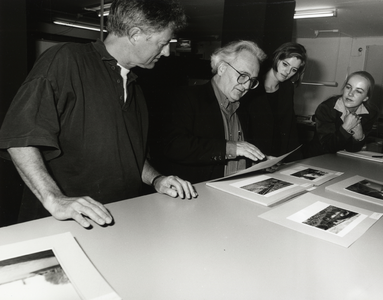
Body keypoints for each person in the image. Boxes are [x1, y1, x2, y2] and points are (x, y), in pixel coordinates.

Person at [0, 0, 197, 228]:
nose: (166, 52)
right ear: (134, 34)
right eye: (163, 43)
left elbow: (129, 155)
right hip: (63, 225)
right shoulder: (66, 60)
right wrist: (54, 198)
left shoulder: (136, 88)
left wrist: (156, 179)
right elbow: (19, 137)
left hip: (120, 221)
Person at [160, 40, 267, 184]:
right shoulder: (186, 97)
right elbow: (174, 146)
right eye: (243, 75)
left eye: (252, 80)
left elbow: (242, 152)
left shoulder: (244, 108)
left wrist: (259, 161)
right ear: (222, 68)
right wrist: (229, 148)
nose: (247, 85)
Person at [240, 42, 307, 162]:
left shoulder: (287, 89)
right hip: (253, 157)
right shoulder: (252, 84)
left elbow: (289, 128)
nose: (287, 72)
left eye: (294, 70)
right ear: (277, 58)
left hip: (277, 158)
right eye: (285, 64)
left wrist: (296, 161)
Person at [303, 71, 379, 157]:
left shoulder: (370, 113)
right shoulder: (326, 108)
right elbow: (327, 147)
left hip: (342, 159)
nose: (350, 93)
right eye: (348, 87)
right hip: (317, 158)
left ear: (366, 98)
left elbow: (352, 149)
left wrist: (359, 137)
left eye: (358, 91)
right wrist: (346, 128)